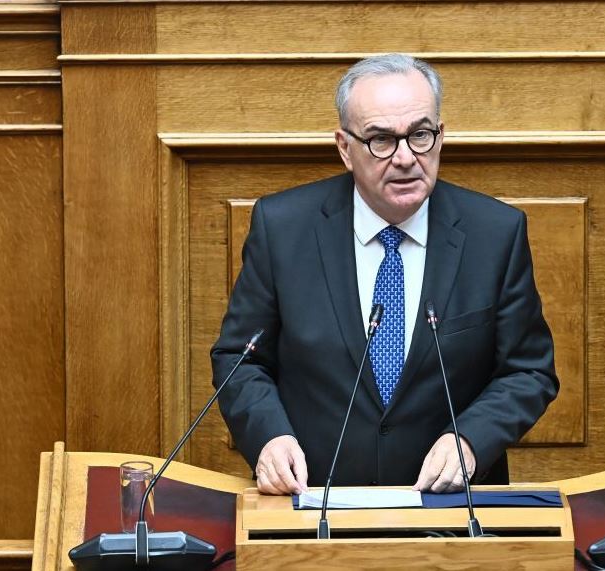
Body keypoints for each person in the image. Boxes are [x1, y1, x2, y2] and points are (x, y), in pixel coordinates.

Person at [211, 53, 559, 496]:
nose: (405, 158)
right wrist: (269, 437)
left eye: (420, 135)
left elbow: (529, 371)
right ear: (345, 147)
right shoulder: (282, 228)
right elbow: (241, 360)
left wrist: (471, 440)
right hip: (313, 502)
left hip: (450, 506)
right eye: (381, 140)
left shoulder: (495, 233)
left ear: (441, 135)